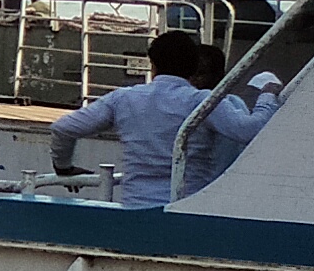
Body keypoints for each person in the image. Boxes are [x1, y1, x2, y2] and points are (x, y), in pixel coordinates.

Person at [51, 26, 271, 211]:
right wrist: (268, 93)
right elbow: (248, 130)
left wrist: (63, 167)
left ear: (152, 64)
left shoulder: (124, 99)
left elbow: (63, 128)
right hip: (187, 209)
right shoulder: (203, 102)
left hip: (134, 209)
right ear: (193, 68)